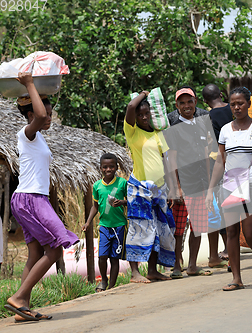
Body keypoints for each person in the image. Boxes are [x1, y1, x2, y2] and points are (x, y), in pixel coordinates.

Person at [5, 72, 79, 321]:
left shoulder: (37, 139)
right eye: (44, 114)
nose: (47, 117)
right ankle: (18, 298)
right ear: (30, 115)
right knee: (56, 248)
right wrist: (28, 84)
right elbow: (38, 115)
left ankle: (21, 306)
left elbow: (40, 114)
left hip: (31, 200)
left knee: (36, 253)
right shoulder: (27, 133)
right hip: (30, 199)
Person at [206, 87, 252, 291]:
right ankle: (237, 278)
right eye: (233, 104)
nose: (236, 107)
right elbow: (221, 161)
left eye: (240, 103)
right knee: (231, 231)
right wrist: (211, 188)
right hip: (230, 185)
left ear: (248, 104)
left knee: (249, 232)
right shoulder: (226, 130)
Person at [166, 86, 219, 278]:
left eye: (190, 102)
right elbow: (172, 160)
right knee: (178, 230)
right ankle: (176, 266)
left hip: (200, 184)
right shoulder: (173, 128)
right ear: (177, 106)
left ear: (195, 102)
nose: (186, 106)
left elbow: (206, 155)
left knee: (197, 226)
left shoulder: (202, 123)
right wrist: (176, 187)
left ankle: (192, 265)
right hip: (183, 184)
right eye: (182, 103)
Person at [124, 91, 175, 283]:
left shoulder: (157, 134)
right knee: (138, 228)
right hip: (139, 187)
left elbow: (167, 161)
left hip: (159, 189)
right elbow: (130, 107)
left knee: (157, 228)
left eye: (147, 114)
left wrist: (170, 188)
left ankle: (152, 270)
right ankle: (135, 273)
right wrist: (144, 94)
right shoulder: (132, 132)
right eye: (141, 115)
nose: (144, 117)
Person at [82, 153, 127, 292]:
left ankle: (112, 286)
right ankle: (104, 280)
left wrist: (123, 202)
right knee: (102, 256)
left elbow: (131, 200)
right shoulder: (97, 186)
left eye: (112, 167)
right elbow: (95, 206)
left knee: (114, 258)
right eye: (105, 167)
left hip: (119, 226)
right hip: (104, 227)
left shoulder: (122, 183)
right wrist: (88, 222)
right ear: (101, 168)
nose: (109, 170)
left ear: (116, 167)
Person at [202, 83, 234, 262]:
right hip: (238, 162)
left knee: (223, 209)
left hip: (220, 163)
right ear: (221, 94)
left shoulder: (210, 117)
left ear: (205, 101)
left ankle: (228, 250)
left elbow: (213, 144)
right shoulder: (234, 108)